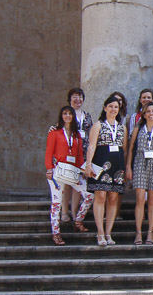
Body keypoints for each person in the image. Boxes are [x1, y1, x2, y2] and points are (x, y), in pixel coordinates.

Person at [45, 105, 93, 245]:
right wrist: (49, 169)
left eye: (70, 114)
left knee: (90, 195)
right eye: (65, 113)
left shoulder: (76, 134)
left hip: (73, 171)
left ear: (73, 116)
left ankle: (78, 220)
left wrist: (82, 170)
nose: (67, 116)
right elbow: (49, 152)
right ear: (61, 116)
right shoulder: (54, 132)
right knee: (56, 203)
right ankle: (56, 233)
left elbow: (79, 155)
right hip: (57, 171)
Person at [85, 95, 128, 246]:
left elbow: (124, 150)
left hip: (117, 166)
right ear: (105, 108)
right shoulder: (98, 125)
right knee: (101, 196)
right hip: (101, 164)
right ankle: (100, 233)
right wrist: (88, 164)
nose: (113, 109)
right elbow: (91, 146)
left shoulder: (122, 128)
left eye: (116, 107)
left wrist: (125, 167)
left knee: (113, 198)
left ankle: (109, 233)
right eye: (110, 106)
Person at [125, 102, 153, 245]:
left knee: (152, 200)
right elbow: (131, 148)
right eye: (148, 111)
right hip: (140, 161)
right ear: (144, 114)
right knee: (140, 198)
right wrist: (128, 166)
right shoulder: (138, 128)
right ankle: (138, 232)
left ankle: (150, 232)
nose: (151, 114)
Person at [62, 88, 92, 223]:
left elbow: (91, 134)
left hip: (83, 154)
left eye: (80, 97)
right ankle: (64, 212)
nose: (78, 99)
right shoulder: (66, 114)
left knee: (77, 183)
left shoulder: (87, 116)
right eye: (74, 96)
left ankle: (74, 212)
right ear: (70, 99)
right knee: (67, 184)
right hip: (68, 154)